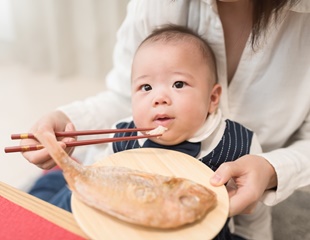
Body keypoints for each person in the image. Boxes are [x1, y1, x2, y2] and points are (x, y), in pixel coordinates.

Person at [22, 0, 310, 239]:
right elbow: (98, 182)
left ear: (213, 98)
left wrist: (271, 173)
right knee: (50, 205)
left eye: (179, 84)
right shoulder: (124, 136)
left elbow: (254, 218)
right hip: (123, 222)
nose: (159, 98)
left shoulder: (238, 144)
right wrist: (65, 119)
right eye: (146, 88)